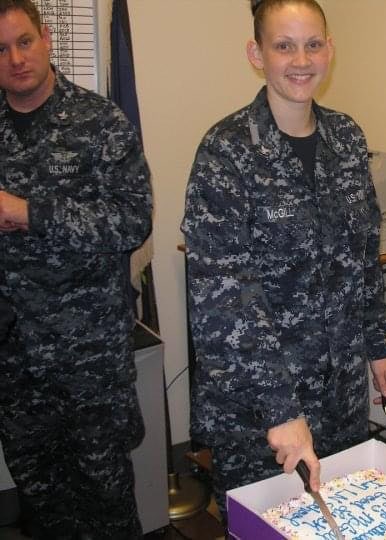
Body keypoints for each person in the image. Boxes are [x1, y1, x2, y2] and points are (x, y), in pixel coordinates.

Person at [182, 0, 386, 521]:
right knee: (269, 528)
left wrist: (377, 344)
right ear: (257, 54)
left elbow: (362, 255)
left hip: (340, 397)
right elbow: (222, 301)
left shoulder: (347, 139)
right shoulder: (226, 151)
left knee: (339, 522)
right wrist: (280, 410)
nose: (301, 60)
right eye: (284, 46)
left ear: (330, 50)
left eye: (313, 44)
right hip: (260, 413)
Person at [0, 0, 153, 537]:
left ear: (46, 38)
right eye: (0, 49)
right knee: (42, 509)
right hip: (16, 366)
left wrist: (30, 213)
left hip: (88, 362)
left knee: (107, 506)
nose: (15, 58)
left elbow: (133, 221)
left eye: (24, 41)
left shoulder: (100, 122)